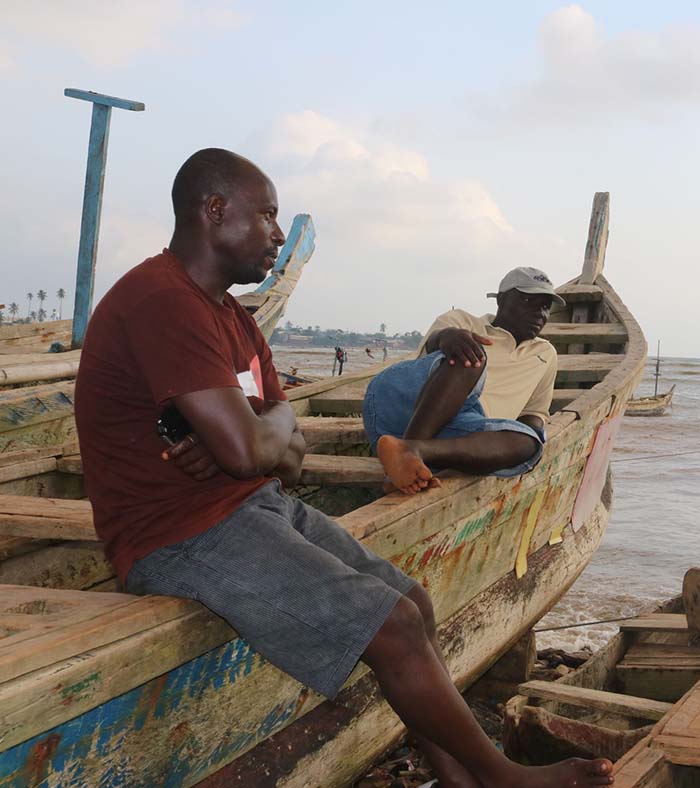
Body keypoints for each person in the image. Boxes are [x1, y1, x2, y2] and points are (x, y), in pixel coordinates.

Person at [73, 148, 613, 788]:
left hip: (249, 506)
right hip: (176, 535)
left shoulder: (235, 320)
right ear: (214, 212)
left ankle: (460, 780)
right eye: (267, 216)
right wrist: (257, 434)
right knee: (392, 624)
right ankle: (501, 778)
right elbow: (253, 451)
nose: (278, 234)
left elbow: (290, 454)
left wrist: (259, 431)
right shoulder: (163, 300)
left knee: (412, 599)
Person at [363, 267, 561, 494]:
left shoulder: (546, 354)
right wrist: (446, 337)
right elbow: (428, 358)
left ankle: (411, 451)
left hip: (459, 433)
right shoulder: (462, 322)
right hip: (404, 404)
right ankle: (406, 456)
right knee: (470, 355)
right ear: (502, 299)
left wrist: (520, 440)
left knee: (530, 444)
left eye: (546, 307)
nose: (539, 313)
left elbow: (534, 414)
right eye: (528, 301)